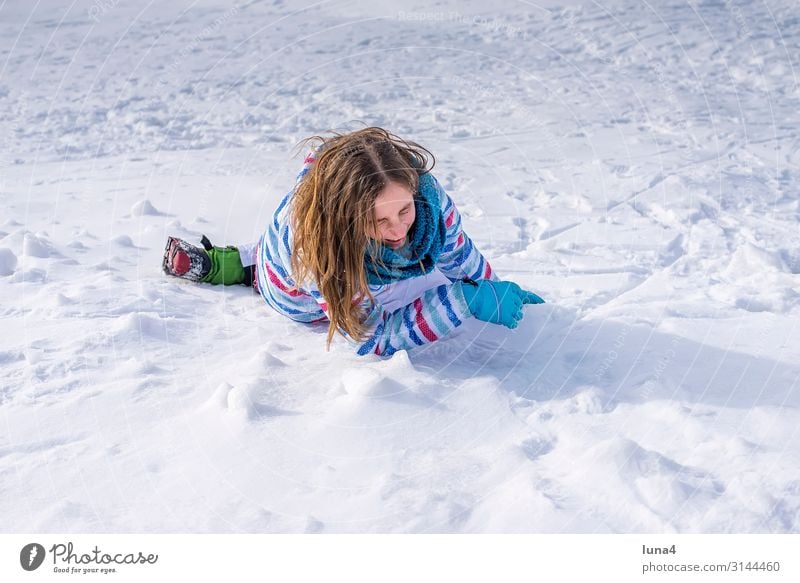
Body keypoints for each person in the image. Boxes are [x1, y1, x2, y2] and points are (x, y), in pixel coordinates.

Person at [163, 127, 545, 357]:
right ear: (345, 217)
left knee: (403, 258)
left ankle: (245, 259)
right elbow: (372, 337)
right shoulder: (315, 249)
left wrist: (490, 287)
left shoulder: (426, 196)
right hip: (291, 289)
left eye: (404, 211)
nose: (398, 230)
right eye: (377, 220)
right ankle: (222, 266)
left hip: (305, 240)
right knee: (262, 271)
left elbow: (457, 252)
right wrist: (462, 301)